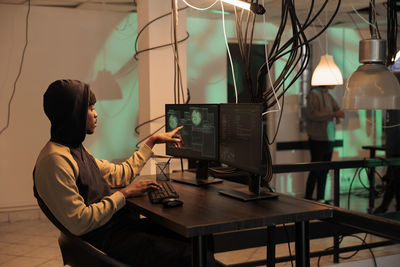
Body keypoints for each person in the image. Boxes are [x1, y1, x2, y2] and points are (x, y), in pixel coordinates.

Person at [33, 79, 191, 267]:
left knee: (189, 238)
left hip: (114, 228)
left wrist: (152, 142)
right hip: (103, 240)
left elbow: (121, 174)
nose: (96, 114)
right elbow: (79, 221)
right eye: (90, 108)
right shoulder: (55, 161)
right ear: (73, 113)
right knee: (187, 255)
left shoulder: (74, 150)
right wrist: (123, 194)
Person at [304, 85, 345, 201]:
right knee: (315, 170)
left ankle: (320, 199)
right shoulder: (313, 95)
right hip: (317, 138)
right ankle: (307, 199)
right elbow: (312, 114)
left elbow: (337, 109)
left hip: (329, 138)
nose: (335, 83)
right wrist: (333, 114)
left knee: (325, 170)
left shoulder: (328, 95)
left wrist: (337, 113)